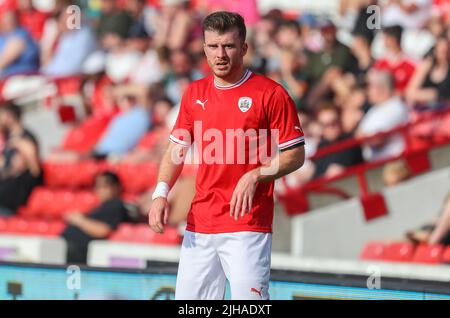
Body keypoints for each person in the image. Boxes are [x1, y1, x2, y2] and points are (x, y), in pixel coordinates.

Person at [148, 11, 305, 300]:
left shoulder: (271, 94)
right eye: (213, 46)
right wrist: (160, 193)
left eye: (229, 46)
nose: (220, 54)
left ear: (244, 48)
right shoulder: (194, 93)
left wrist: (258, 173)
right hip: (200, 223)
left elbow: (295, 154)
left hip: (247, 223)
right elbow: (176, 149)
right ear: (204, 48)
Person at [61, 171, 129, 264]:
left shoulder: (115, 205)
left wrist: (79, 220)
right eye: (97, 186)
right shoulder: (101, 206)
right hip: (69, 249)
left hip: (81, 254)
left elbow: (103, 230)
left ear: (116, 187)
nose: (100, 190)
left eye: (105, 186)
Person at [357, 70, 409, 161]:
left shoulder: (396, 106)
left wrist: (363, 139)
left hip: (395, 162)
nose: (367, 91)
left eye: (370, 87)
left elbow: (377, 140)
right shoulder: (373, 109)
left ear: (382, 88)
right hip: (375, 165)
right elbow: (358, 136)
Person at [0, 102, 42, 215]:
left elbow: (35, 170)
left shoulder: (26, 138)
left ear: (9, 115)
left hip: (15, 191)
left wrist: (25, 152)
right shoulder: (8, 138)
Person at [312, 103, 363, 179]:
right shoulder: (321, 147)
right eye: (325, 125)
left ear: (340, 120)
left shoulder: (350, 140)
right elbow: (316, 174)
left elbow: (347, 163)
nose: (331, 127)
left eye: (334, 122)